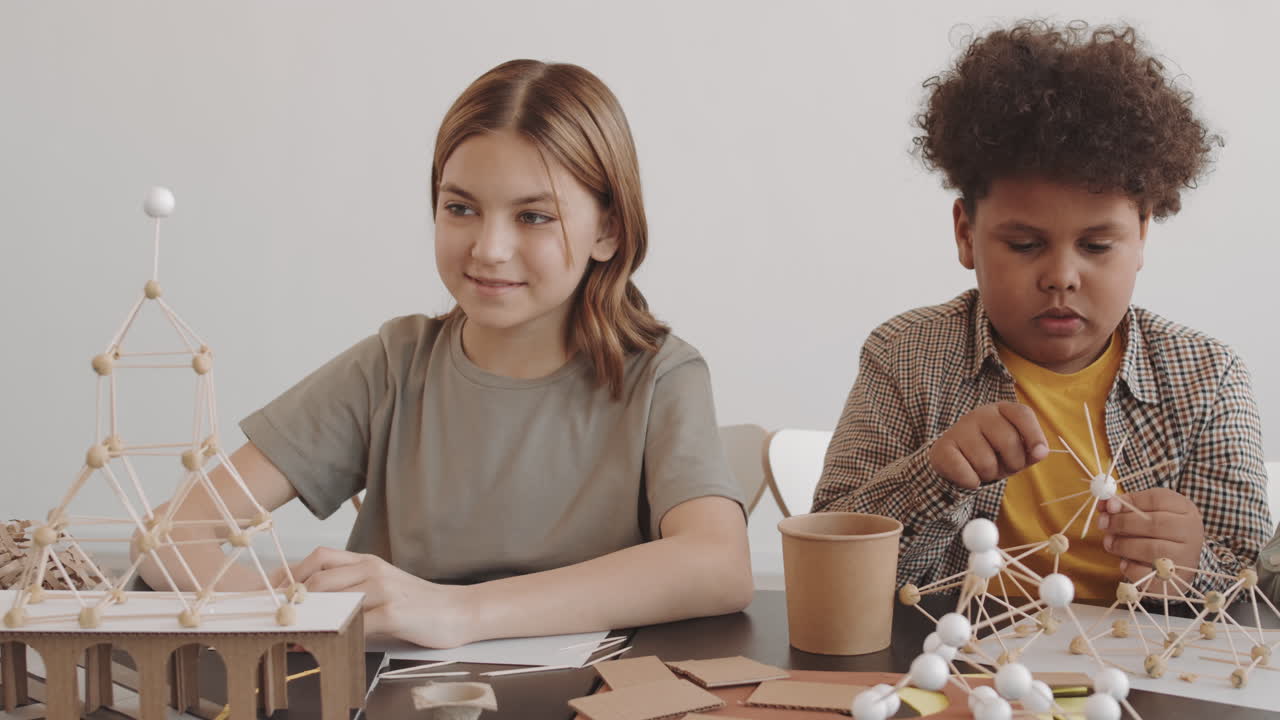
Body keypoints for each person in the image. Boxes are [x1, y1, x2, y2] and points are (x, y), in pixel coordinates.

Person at [138, 60, 752, 647]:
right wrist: (287, 608)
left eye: (533, 216)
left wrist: (459, 612)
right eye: (460, 208)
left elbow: (719, 566)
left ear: (608, 231)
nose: (489, 248)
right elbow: (166, 535)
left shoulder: (661, 376)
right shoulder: (392, 366)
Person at [813, 21, 1271, 600]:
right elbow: (828, 557)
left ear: (1142, 236)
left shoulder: (1206, 378)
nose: (1061, 276)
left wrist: (1192, 565)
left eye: (1096, 246)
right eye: (1025, 244)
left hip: (1139, 656)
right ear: (965, 234)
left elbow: (1254, 587)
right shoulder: (906, 355)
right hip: (961, 649)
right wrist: (934, 476)